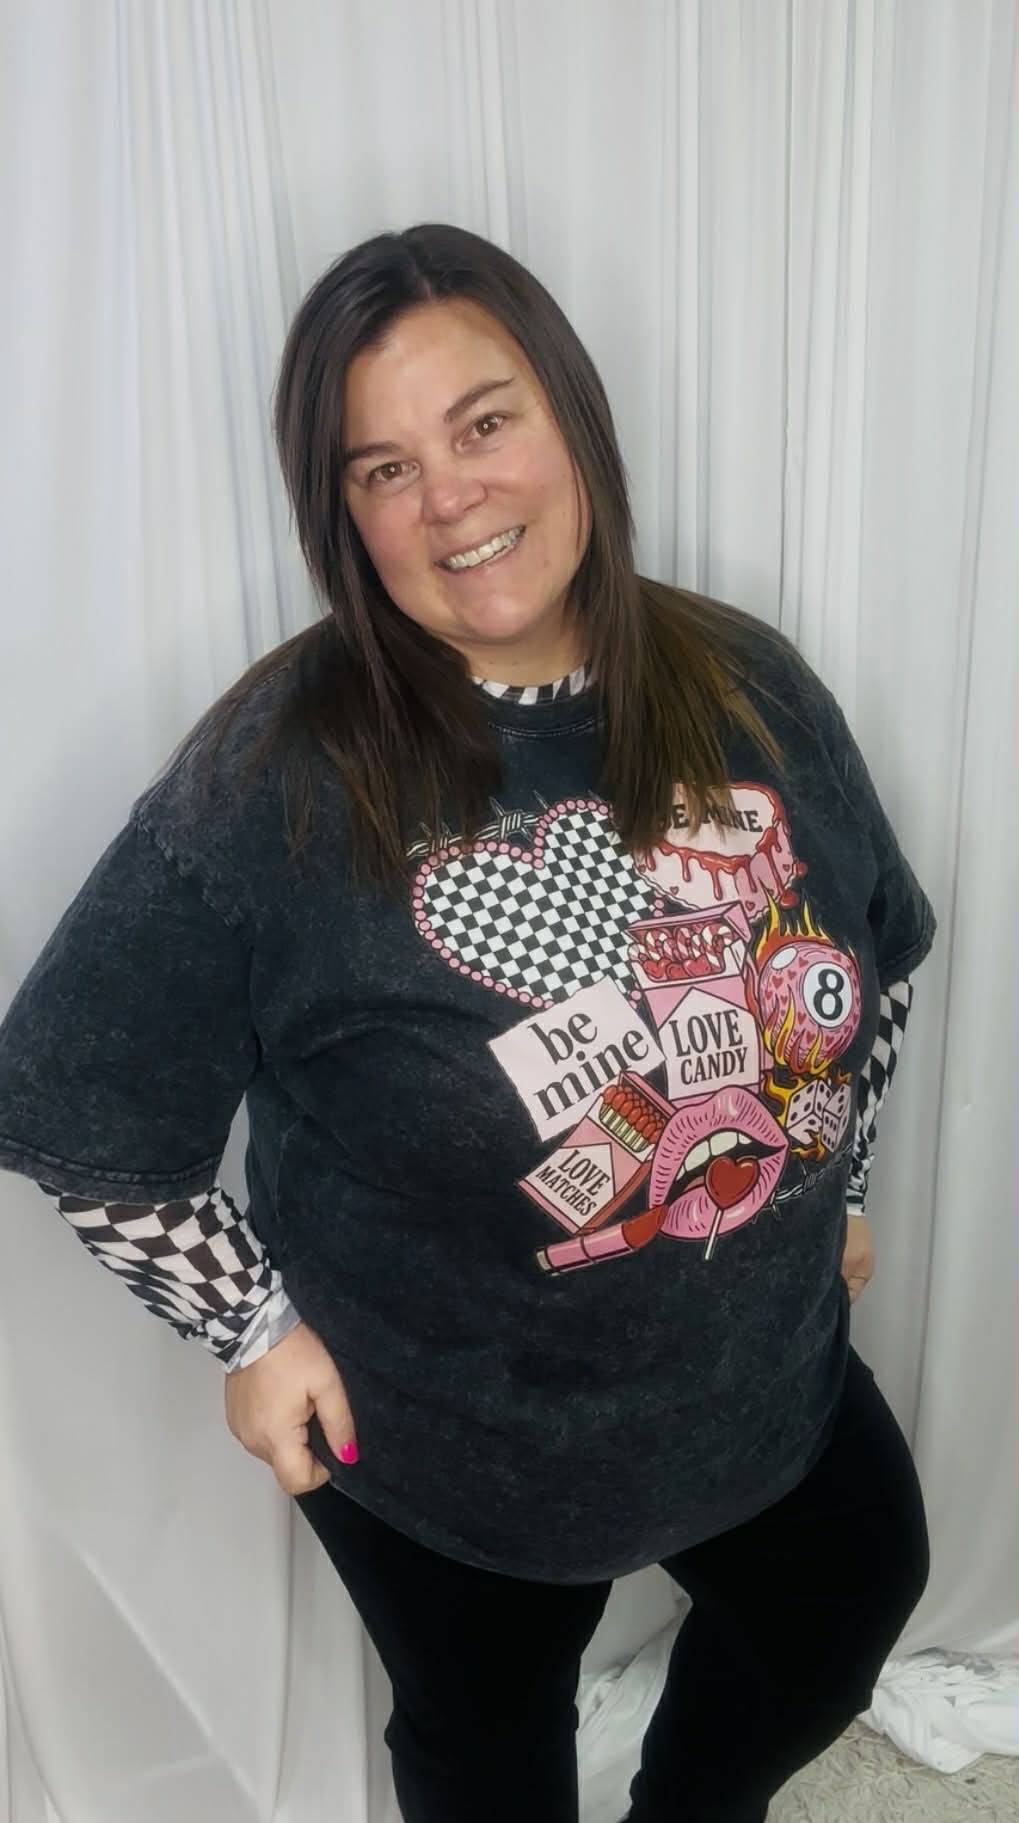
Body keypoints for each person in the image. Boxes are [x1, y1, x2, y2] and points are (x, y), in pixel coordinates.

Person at [0, 223, 936, 1823]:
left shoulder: (746, 680)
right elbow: (77, 1100)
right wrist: (249, 1331)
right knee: (486, 1758)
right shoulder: (272, 782)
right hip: (450, 1445)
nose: (451, 497)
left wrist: (832, 1183)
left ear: (570, 418)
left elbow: (877, 953)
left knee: (844, 1599)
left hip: (755, 1376)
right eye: (382, 467)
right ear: (342, 515)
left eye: (485, 422)